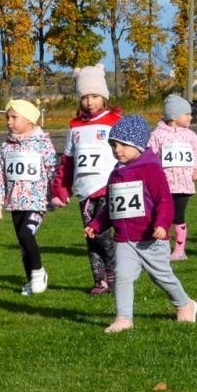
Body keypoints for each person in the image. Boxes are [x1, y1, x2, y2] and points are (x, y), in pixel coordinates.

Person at [85, 115, 197, 332]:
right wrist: (97, 225)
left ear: (138, 144)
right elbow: (112, 206)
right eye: (114, 145)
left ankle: (185, 304)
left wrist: (162, 225)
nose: (117, 150)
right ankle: (124, 319)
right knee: (122, 276)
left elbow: (164, 201)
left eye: (123, 145)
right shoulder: (115, 174)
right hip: (124, 239)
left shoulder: (151, 169)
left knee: (161, 276)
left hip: (150, 237)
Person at [58, 65, 123, 294]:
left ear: (103, 97)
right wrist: (61, 190)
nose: (89, 102)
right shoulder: (74, 126)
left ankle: (115, 271)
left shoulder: (114, 120)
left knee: (103, 233)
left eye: (94, 96)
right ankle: (99, 280)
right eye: (84, 97)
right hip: (84, 191)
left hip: (108, 188)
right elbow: (67, 160)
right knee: (90, 236)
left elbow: (129, 152)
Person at [0, 99, 59, 295]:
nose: (9, 121)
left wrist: (57, 195)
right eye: (7, 117)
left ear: (29, 120)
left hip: (37, 202)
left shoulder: (43, 144)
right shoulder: (6, 147)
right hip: (15, 203)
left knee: (27, 234)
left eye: (14, 117)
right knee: (24, 243)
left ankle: (38, 273)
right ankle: (31, 280)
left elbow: (53, 170)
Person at [147, 94, 197, 261]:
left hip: (184, 185)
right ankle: (160, 248)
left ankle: (179, 250)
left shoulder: (191, 136)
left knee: (178, 216)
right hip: (164, 185)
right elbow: (150, 155)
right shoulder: (157, 135)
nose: (191, 117)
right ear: (174, 116)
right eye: (187, 114)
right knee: (161, 215)